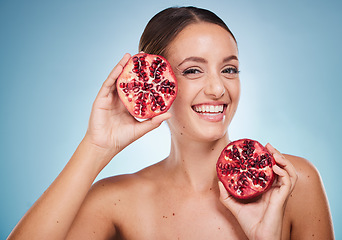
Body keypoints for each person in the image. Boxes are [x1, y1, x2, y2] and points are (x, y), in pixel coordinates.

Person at [8, 6, 334, 240]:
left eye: (229, 69)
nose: (218, 88)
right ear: (157, 81)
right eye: (193, 70)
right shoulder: (115, 202)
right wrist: (96, 147)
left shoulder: (290, 183)